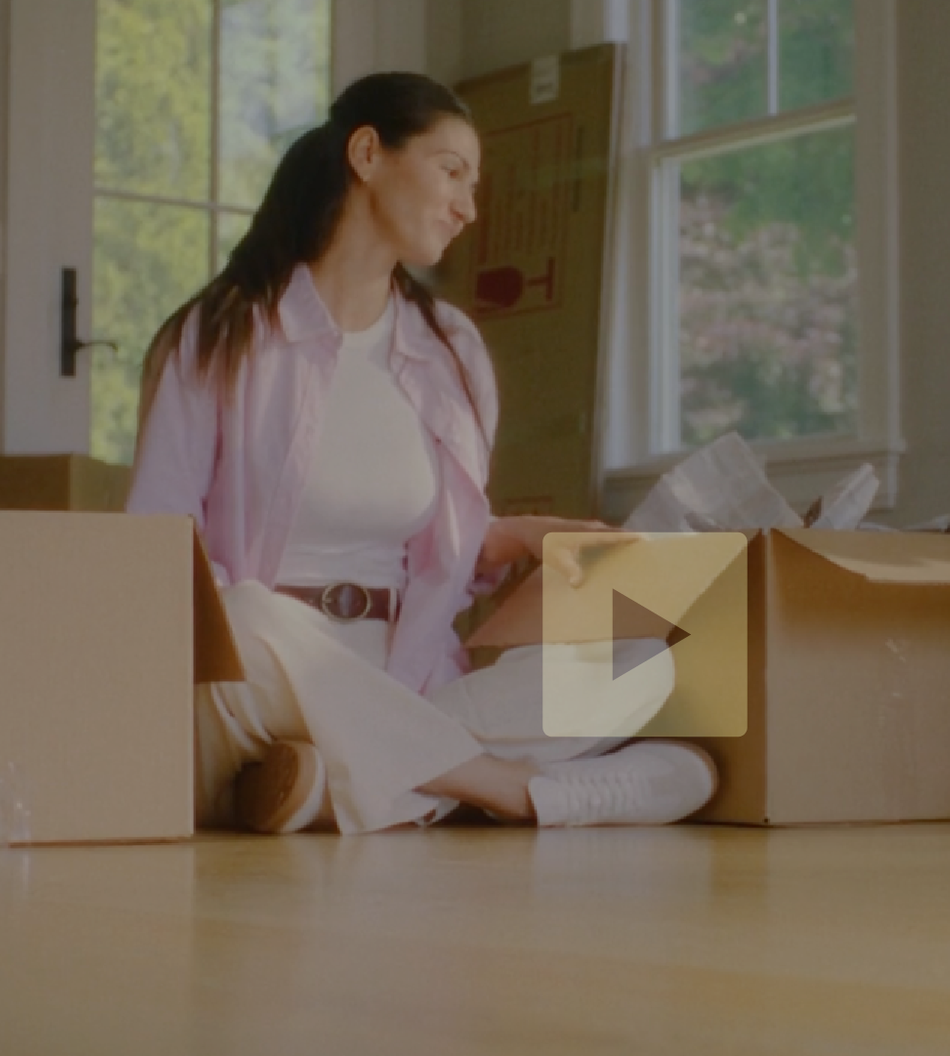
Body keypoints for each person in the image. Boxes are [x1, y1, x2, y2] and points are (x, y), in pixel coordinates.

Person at [127, 72, 716, 834]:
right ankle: (508, 789)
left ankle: (320, 788)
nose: (469, 207)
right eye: (452, 171)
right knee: (241, 614)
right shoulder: (218, 337)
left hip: (406, 678)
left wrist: (516, 537)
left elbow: (437, 555)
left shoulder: (451, 351)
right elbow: (157, 553)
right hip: (254, 683)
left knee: (644, 664)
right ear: (368, 154)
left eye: (473, 184)